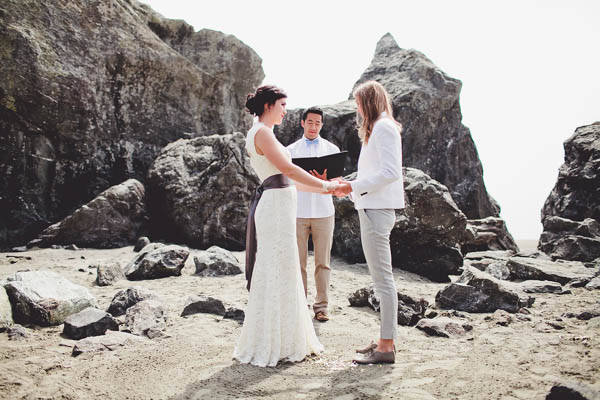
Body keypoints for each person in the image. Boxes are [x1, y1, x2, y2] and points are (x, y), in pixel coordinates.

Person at [233, 85, 341, 367]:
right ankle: (272, 340)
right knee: (275, 268)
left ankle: (284, 337)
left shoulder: (263, 132)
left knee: (286, 268)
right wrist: (327, 184)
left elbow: (289, 179)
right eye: (282, 105)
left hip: (280, 203)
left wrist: (326, 190)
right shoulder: (262, 133)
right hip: (275, 208)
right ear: (269, 105)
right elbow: (290, 171)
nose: (285, 110)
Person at [334, 80, 405, 365]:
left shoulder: (385, 128)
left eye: (359, 103)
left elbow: (390, 172)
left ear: (369, 102)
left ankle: (386, 348)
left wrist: (351, 187)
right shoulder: (379, 128)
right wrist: (349, 185)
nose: (357, 109)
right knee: (380, 279)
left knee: (383, 280)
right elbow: (374, 172)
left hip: (377, 211)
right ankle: (384, 340)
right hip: (372, 208)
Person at [287, 107, 340, 322]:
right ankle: (300, 305)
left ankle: (321, 307)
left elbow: (338, 183)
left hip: (324, 212)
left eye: (318, 123)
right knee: (298, 262)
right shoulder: (290, 150)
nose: (313, 126)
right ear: (302, 123)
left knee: (323, 262)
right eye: (310, 122)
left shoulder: (332, 148)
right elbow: (286, 181)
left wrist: (326, 180)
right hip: (297, 212)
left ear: (322, 125)